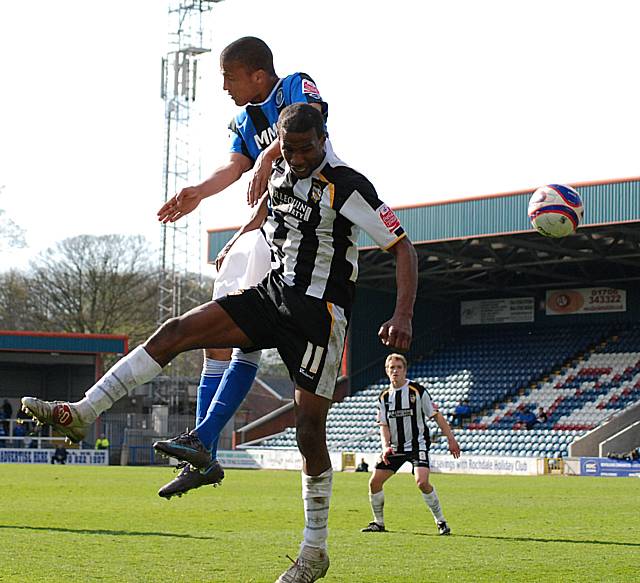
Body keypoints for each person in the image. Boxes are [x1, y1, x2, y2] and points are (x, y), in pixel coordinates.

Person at [21, 103, 418, 583]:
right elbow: (272, 214)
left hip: (319, 315)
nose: (295, 157)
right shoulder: (278, 170)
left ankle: (314, 552)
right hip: (271, 296)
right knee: (176, 331)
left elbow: (402, 246)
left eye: (305, 148)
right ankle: (82, 412)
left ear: (323, 139)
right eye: (288, 149)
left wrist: (402, 314)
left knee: (309, 432)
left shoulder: (349, 185)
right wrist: (240, 236)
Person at [154, 36, 330, 499]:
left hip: (307, 225)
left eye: (229, 77)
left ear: (257, 74)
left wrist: (269, 157)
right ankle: (199, 450)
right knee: (211, 338)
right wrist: (198, 191)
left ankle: (203, 443)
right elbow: (235, 167)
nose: (225, 87)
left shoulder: (295, 87)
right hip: (267, 225)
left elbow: (310, 128)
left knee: (245, 339)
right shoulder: (246, 120)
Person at [362, 353, 460, 536]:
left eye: (399, 367)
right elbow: (383, 425)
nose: (395, 371)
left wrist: (451, 439)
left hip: (418, 446)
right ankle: (378, 522)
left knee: (422, 482)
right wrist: (385, 446)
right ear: (387, 371)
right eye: (392, 368)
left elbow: (436, 415)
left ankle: (441, 522)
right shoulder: (383, 397)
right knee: (374, 482)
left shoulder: (417, 391)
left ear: (405, 370)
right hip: (396, 449)